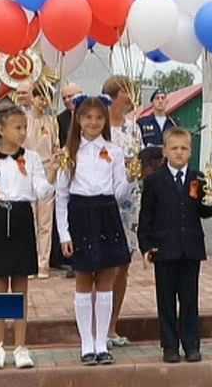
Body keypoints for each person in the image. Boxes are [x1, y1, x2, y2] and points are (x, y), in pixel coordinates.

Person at [0, 105, 58, 370]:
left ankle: (21, 346)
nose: (23, 132)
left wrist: (54, 171)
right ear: (1, 129)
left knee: (20, 288)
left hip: (22, 218)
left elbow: (42, 192)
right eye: (17, 127)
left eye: (25, 127)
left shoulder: (31, 158)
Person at [56, 95, 133, 366]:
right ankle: (86, 343)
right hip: (80, 214)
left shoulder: (114, 151)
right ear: (78, 120)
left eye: (99, 117)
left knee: (106, 281)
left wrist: (131, 178)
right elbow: (62, 196)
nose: (93, 122)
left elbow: (119, 193)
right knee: (84, 279)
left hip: (107, 213)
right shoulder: (68, 154)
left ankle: (102, 342)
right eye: (88, 117)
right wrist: (64, 233)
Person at [138, 128, 212, 363]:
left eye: (184, 148)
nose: (179, 153)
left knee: (190, 299)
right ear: (165, 151)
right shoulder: (153, 181)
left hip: (190, 248)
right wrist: (146, 246)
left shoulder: (198, 178)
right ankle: (170, 345)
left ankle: (191, 344)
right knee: (166, 300)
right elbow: (146, 217)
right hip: (164, 249)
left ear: (190, 151)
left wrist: (210, 200)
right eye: (174, 148)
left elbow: (205, 211)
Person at [101, 75, 143, 348]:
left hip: (130, 205)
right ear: (114, 96)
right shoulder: (97, 127)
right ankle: (96, 326)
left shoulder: (133, 128)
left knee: (123, 267)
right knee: (103, 267)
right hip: (102, 203)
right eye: (127, 93)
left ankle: (112, 326)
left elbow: (138, 162)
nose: (131, 98)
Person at [14, 81, 59, 278]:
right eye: (39, 96)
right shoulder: (24, 119)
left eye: (46, 97)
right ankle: (29, 262)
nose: (42, 101)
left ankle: (43, 264)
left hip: (48, 170)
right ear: (32, 98)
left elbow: (56, 145)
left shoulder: (52, 121)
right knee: (28, 219)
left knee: (45, 221)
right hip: (27, 170)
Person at [51, 82, 82, 278]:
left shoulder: (91, 115)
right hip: (66, 171)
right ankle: (68, 259)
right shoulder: (59, 119)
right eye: (64, 98)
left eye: (71, 96)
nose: (68, 100)